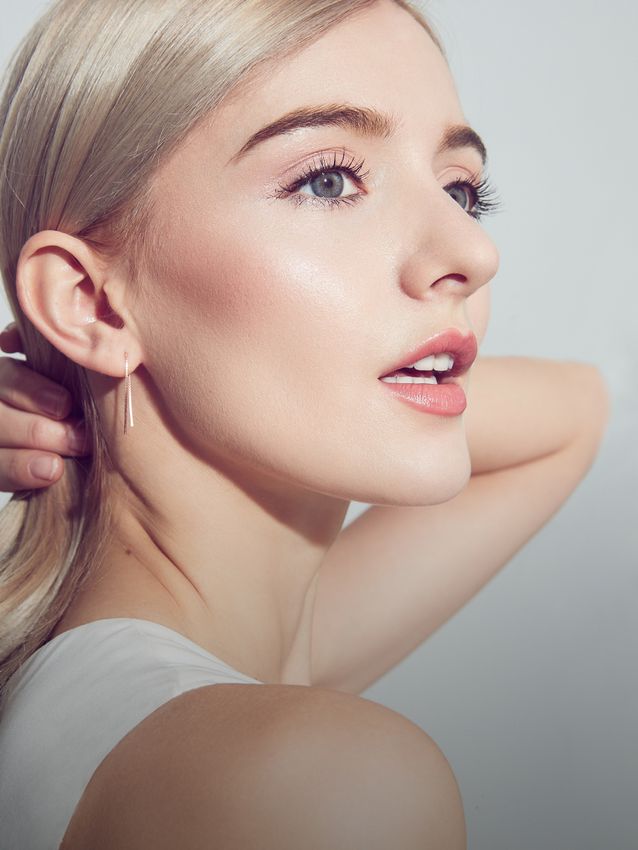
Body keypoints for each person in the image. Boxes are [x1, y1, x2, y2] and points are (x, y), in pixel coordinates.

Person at [0, 0, 609, 847]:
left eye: (462, 188)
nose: (474, 254)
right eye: (328, 180)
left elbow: (577, 410)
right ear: (90, 299)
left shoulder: (99, 689)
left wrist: (68, 373)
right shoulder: (314, 785)